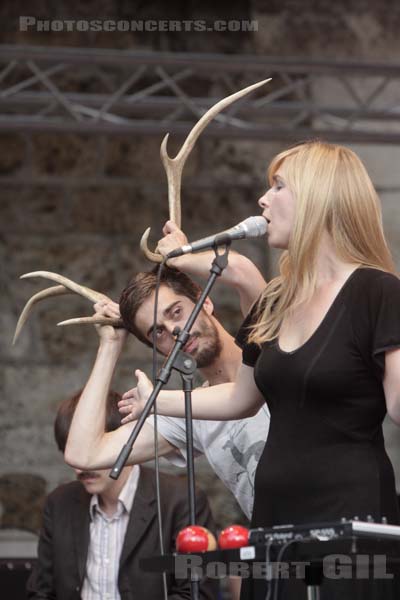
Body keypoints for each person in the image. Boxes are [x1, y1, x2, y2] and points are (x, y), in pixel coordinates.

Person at [125, 141, 400, 599]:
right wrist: (156, 400)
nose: (263, 200)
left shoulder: (378, 292)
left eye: (277, 186)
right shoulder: (276, 300)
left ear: (317, 196)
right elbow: (240, 398)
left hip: (350, 511)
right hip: (275, 513)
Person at [65, 236, 269, 522]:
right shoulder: (191, 411)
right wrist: (109, 348)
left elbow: (245, 274)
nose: (174, 330)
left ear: (204, 300)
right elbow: (83, 453)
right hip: (281, 552)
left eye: (177, 312)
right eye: (157, 332)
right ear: (157, 350)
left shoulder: (270, 349)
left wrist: (184, 259)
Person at [27, 390, 219, 600]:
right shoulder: (59, 503)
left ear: (121, 442)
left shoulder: (178, 500)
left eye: (92, 452)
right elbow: (41, 591)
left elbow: (196, 592)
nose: (82, 466)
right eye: (72, 452)